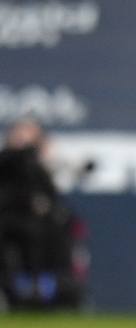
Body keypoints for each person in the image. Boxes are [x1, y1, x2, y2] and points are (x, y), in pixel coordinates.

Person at [0, 119, 87, 310]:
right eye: (20, 134)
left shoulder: (39, 166)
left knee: (41, 249)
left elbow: (51, 195)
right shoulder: (7, 159)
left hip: (35, 227)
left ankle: (40, 292)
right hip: (7, 221)